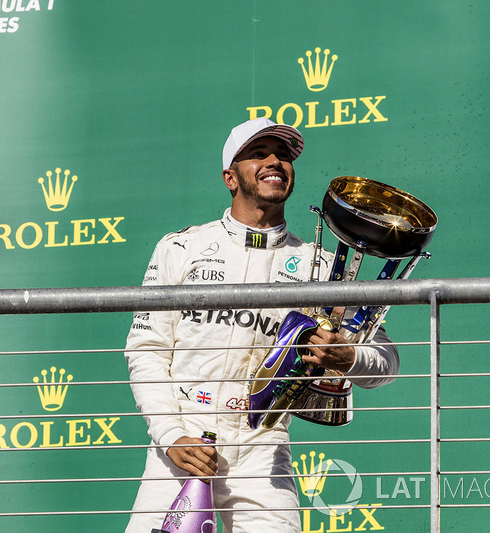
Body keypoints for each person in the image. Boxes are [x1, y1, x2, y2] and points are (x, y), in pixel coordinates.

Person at [123, 118, 400, 533]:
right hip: (180, 445)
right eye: (259, 153)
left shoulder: (322, 266)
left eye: (284, 155)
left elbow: (387, 362)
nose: (275, 161)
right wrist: (171, 437)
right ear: (230, 177)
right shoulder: (182, 247)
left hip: (264, 454)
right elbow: (146, 351)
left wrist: (348, 356)